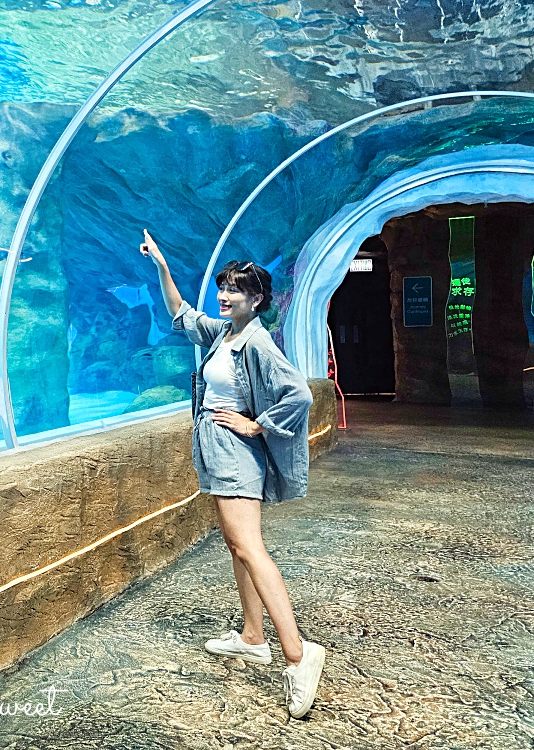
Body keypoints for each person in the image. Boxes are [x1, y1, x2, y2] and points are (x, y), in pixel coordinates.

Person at [140, 228, 326, 719]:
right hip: (218, 448)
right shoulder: (226, 333)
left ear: (257, 298)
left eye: (236, 289)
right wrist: (161, 263)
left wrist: (255, 423)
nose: (225, 295)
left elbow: (299, 394)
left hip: (236, 449)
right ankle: (251, 636)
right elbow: (182, 314)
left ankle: (298, 653)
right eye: (223, 287)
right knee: (235, 544)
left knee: (249, 546)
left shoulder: (258, 343)